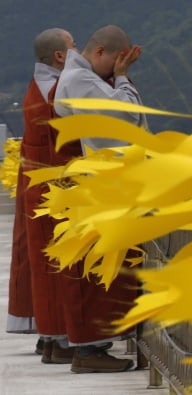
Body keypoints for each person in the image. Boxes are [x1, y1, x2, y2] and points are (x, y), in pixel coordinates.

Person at [53, 24, 146, 374]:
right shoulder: (81, 81)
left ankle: (93, 346)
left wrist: (118, 76)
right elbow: (129, 116)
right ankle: (90, 350)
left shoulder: (80, 78)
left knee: (100, 268)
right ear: (102, 52)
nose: (115, 72)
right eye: (116, 62)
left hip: (99, 182)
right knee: (97, 272)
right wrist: (122, 80)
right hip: (104, 183)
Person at [7, 27, 78, 365]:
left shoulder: (40, 88)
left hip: (38, 187)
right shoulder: (56, 92)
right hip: (54, 190)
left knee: (44, 266)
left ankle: (51, 340)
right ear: (60, 57)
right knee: (56, 268)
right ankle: (59, 340)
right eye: (74, 48)